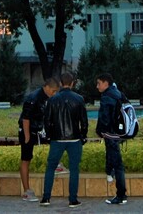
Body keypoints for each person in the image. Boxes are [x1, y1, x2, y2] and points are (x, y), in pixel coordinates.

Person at [40, 72, 88, 208]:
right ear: (72, 83)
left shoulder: (53, 100)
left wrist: (49, 136)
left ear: (60, 83)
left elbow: (47, 120)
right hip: (74, 138)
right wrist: (83, 136)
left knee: (50, 167)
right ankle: (73, 199)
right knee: (74, 169)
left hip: (57, 138)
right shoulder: (79, 99)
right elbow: (84, 121)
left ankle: (46, 198)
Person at [18, 76, 60, 201]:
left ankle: (57, 163)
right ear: (47, 87)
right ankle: (26, 191)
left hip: (40, 130)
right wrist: (27, 137)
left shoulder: (49, 98)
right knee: (26, 159)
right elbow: (26, 118)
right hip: (28, 130)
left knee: (57, 141)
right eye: (53, 91)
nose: (55, 94)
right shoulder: (33, 98)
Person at [96, 73, 129, 205]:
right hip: (119, 133)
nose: (97, 86)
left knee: (118, 164)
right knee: (114, 159)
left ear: (105, 83)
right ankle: (109, 172)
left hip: (111, 134)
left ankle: (121, 195)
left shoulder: (107, 97)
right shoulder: (118, 93)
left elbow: (104, 118)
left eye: (99, 83)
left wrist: (100, 131)